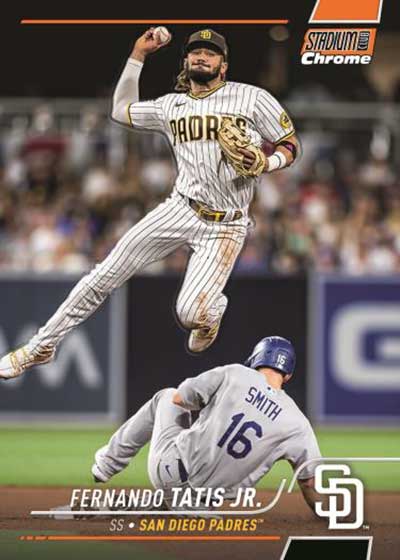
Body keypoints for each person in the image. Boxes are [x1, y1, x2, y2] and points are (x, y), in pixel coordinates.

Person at [0, 28, 299, 380]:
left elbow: (290, 143)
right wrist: (137, 55)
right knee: (103, 274)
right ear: (186, 61)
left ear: (224, 64)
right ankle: (40, 347)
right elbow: (120, 110)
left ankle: (211, 313)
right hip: (181, 207)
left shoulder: (251, 98)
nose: (201, 56)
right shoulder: (172, 105)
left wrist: (268, 162)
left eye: (210, 53)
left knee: (190, 313)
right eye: (195, 52)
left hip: (226, 224)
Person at [91, 336, 321, 512]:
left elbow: (180, 398)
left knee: (166, 395)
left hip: (169, 473)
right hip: (204, 505)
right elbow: (309, 484)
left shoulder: (236, 373)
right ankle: (180, 508)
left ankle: (106, 465)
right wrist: (326, 513)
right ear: (288, 375)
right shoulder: (298, 423)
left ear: (256, 360)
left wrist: (217, 409)